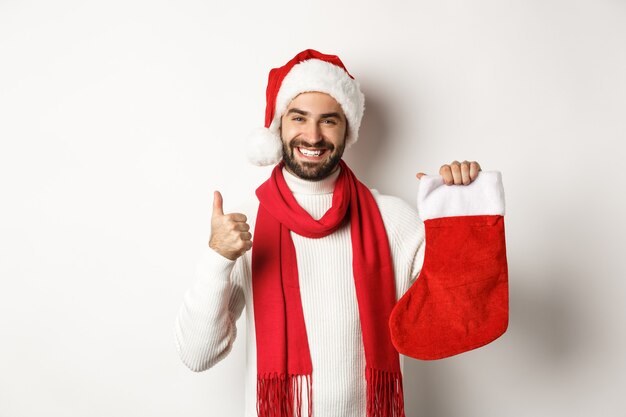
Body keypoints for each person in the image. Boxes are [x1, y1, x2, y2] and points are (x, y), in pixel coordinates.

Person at [175, 49, 486, 417]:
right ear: (278, 127)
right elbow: (197, 355)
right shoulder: (244, 225)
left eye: (328, 121)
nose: (312, 135)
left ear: (346, 130)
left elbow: (466, 309)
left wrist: (461, 212)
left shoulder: (393, 218)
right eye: (299, 118)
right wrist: (217, 257)